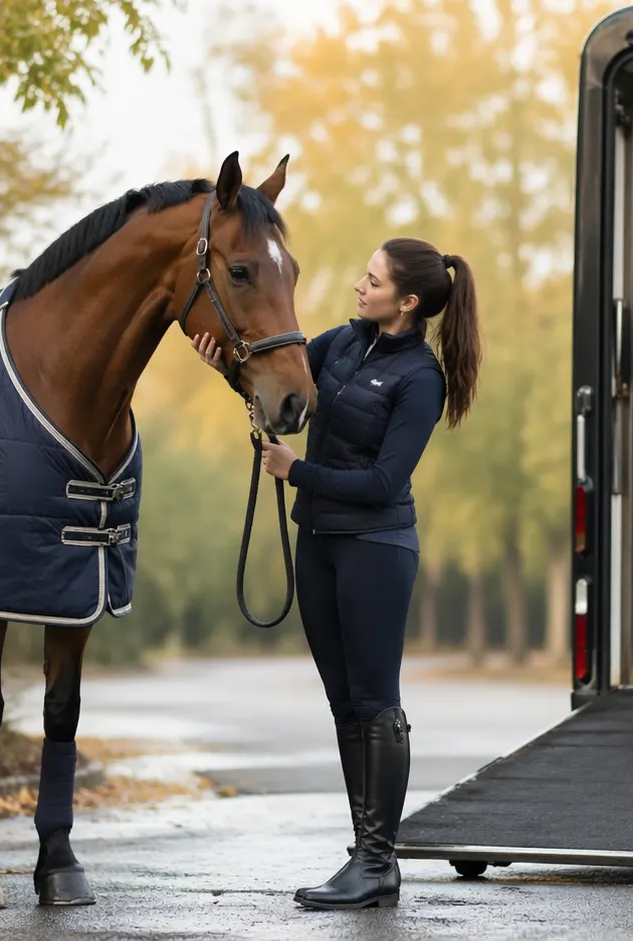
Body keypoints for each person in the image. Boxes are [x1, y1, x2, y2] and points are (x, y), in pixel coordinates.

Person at [193, 236, 480, 910]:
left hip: (377, 547)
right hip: (319, 542)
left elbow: (384, 481)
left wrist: (298, 472)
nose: (359, 284)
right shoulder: (343, 344)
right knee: (343, 702)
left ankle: (378, 860)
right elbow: (286, 388)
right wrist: (225, 369)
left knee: (376, 701)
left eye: (373, 279)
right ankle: (366, 852)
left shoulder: (420, 379)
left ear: (407, 301)